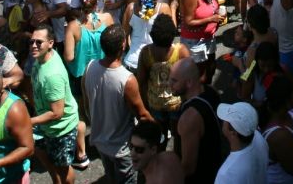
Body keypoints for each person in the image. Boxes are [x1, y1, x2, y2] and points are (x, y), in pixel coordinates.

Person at [83, 25, 153, 184]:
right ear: (123, 45)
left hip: (100, 142)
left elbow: (87, 105)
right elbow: (142, 115)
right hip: (122, 149)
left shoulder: (90, 67)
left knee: (111, 177)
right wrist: (157, 129)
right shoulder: (126, 79)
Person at [27, 25, 79, 184]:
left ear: (50, 43)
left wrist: (28, 121)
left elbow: (57, 113)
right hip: (44, 123)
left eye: (39, 42)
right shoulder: (43, 58)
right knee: (43, 154)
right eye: (31, 41)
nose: (34, 45)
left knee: (63, 169)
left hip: (61, 129)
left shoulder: (52, 76)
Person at [169, 58, 223, 184]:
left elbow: (188, 168)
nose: (169, 84)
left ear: (189, 83)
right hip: (216, 166)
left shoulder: (189, 118)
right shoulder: (211, 91)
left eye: (174, 81)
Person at [214, 101, 269, 184]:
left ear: (232, 132)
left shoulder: (226, 174)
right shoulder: (259, 139)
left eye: (226, 119)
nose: (223, 121)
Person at [128, 119, 184, 184]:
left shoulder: (155, 181)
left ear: (153, 150)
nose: (132, 153)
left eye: (139, 149)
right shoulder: (172, 157)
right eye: (131, 146)